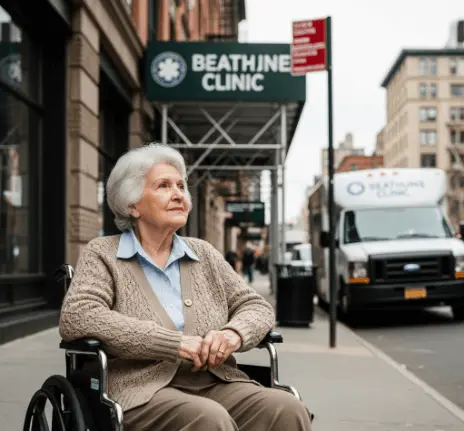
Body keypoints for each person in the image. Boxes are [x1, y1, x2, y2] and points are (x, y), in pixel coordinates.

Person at [59, 143, 312, 431]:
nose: (179, 194)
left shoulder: (203, 253)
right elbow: (78, 316)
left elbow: (255, 306)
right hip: (141, 389)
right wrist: (175, 344)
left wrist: (233, 334)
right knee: (208, 419)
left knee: (287, 408)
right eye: (163, 186)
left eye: (181, 186)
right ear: (132, 205)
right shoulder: (103, 253)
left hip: (215, 380)